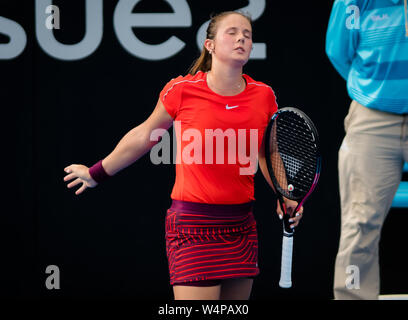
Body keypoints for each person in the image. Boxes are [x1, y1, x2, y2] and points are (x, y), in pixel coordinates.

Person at [63, 11, 303, 300]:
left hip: (241, 226)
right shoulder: (182, 90)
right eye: (232, 32)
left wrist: (284, 195)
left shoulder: (263, 96)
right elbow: (143, 136)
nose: (241, 37)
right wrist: (95, 173)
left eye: (247, 34)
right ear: (209, 45)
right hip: (192, 227)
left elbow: (268, 152)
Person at [326, 0, 408, 299]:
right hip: (373, 118)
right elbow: (338, 53)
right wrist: (377, 89)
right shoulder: (353, 1)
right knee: (359, 225)